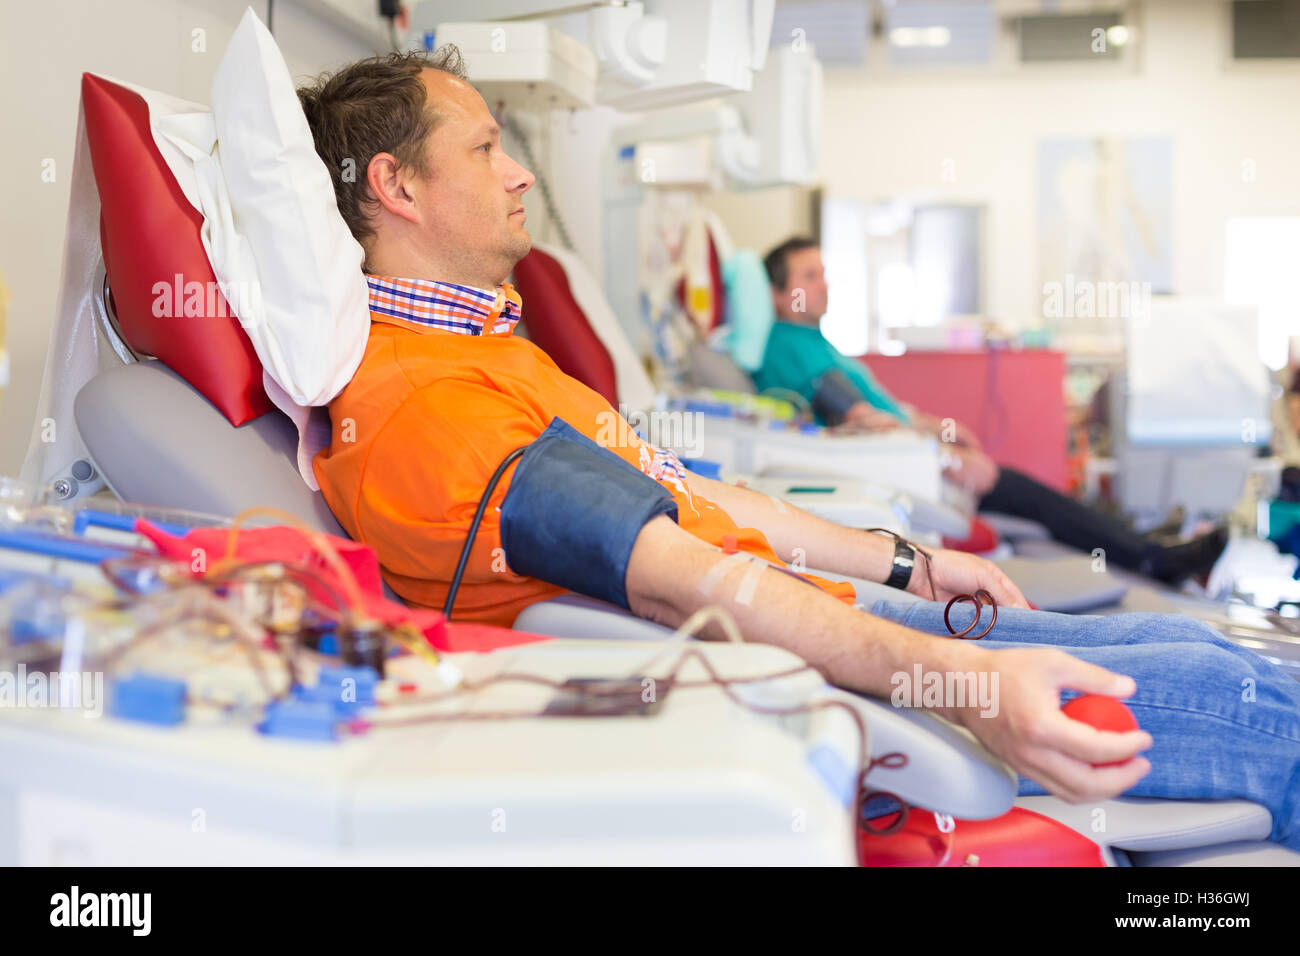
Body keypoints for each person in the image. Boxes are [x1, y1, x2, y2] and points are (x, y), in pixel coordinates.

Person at [298, 48, 1300, 848]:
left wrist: (915, 562)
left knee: (1207, 646)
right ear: (395, 185)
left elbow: (696, 496)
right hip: (832, 658)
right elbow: (685, 581)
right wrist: (958, 683)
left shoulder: (489, 351)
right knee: (1259, 710)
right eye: (483, 150)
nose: (517, 171)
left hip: (849, 612)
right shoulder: (426, 407)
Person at [755, 237, 1228, 583]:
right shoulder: (787, 350)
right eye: (809, 277)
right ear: (778, 294)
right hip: (911, 469)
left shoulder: (817, 342)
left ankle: (1140, 542)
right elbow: (859, 421)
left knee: (1039, 499)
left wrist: (939, 430)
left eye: (823, 273)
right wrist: (946, 458)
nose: (823, 285)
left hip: (919, 455)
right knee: (1038, 501)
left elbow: (882, 411)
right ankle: (1148, 557)